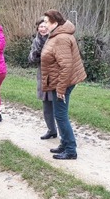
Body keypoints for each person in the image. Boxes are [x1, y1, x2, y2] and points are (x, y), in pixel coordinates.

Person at [41, 9, 86, 160]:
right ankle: (64, 143)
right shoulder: (56, 35)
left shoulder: (60, 38)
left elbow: (66, 66)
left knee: (61, 116)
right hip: (58, 81)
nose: (44, 24)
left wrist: (61, 88)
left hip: (62, 83)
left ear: (55, 22)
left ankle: (71, 150)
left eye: (47, 22)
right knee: (58, 114)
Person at [28, 19, 57, 139]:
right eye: (40, 26)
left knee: (58, 106)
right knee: (46, 106)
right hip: (43, 75)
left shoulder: (55, 39)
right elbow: (31, 59)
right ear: (37, 28)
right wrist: (35, 53)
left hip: (54, 75)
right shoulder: (36, 41)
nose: (43, 29)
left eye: (45, 26)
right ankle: (51, 130)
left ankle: (63, 132)